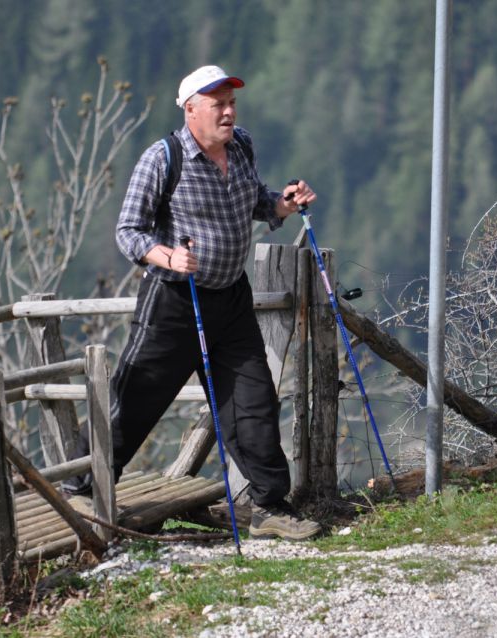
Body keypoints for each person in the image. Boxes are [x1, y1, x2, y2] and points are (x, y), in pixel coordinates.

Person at [64, 65, 321, 541]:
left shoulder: (241, 145)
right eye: (217, 104)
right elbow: (128, 231)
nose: (228, 112)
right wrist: (168, 256)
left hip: (230, 299)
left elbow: (253, 202)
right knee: (136, 396)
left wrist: (282, 204)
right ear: (191, 110)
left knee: (254, 401)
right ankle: (79, 488)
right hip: (174, 302)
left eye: (231, 103)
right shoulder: (163, 158)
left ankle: (268, 507)